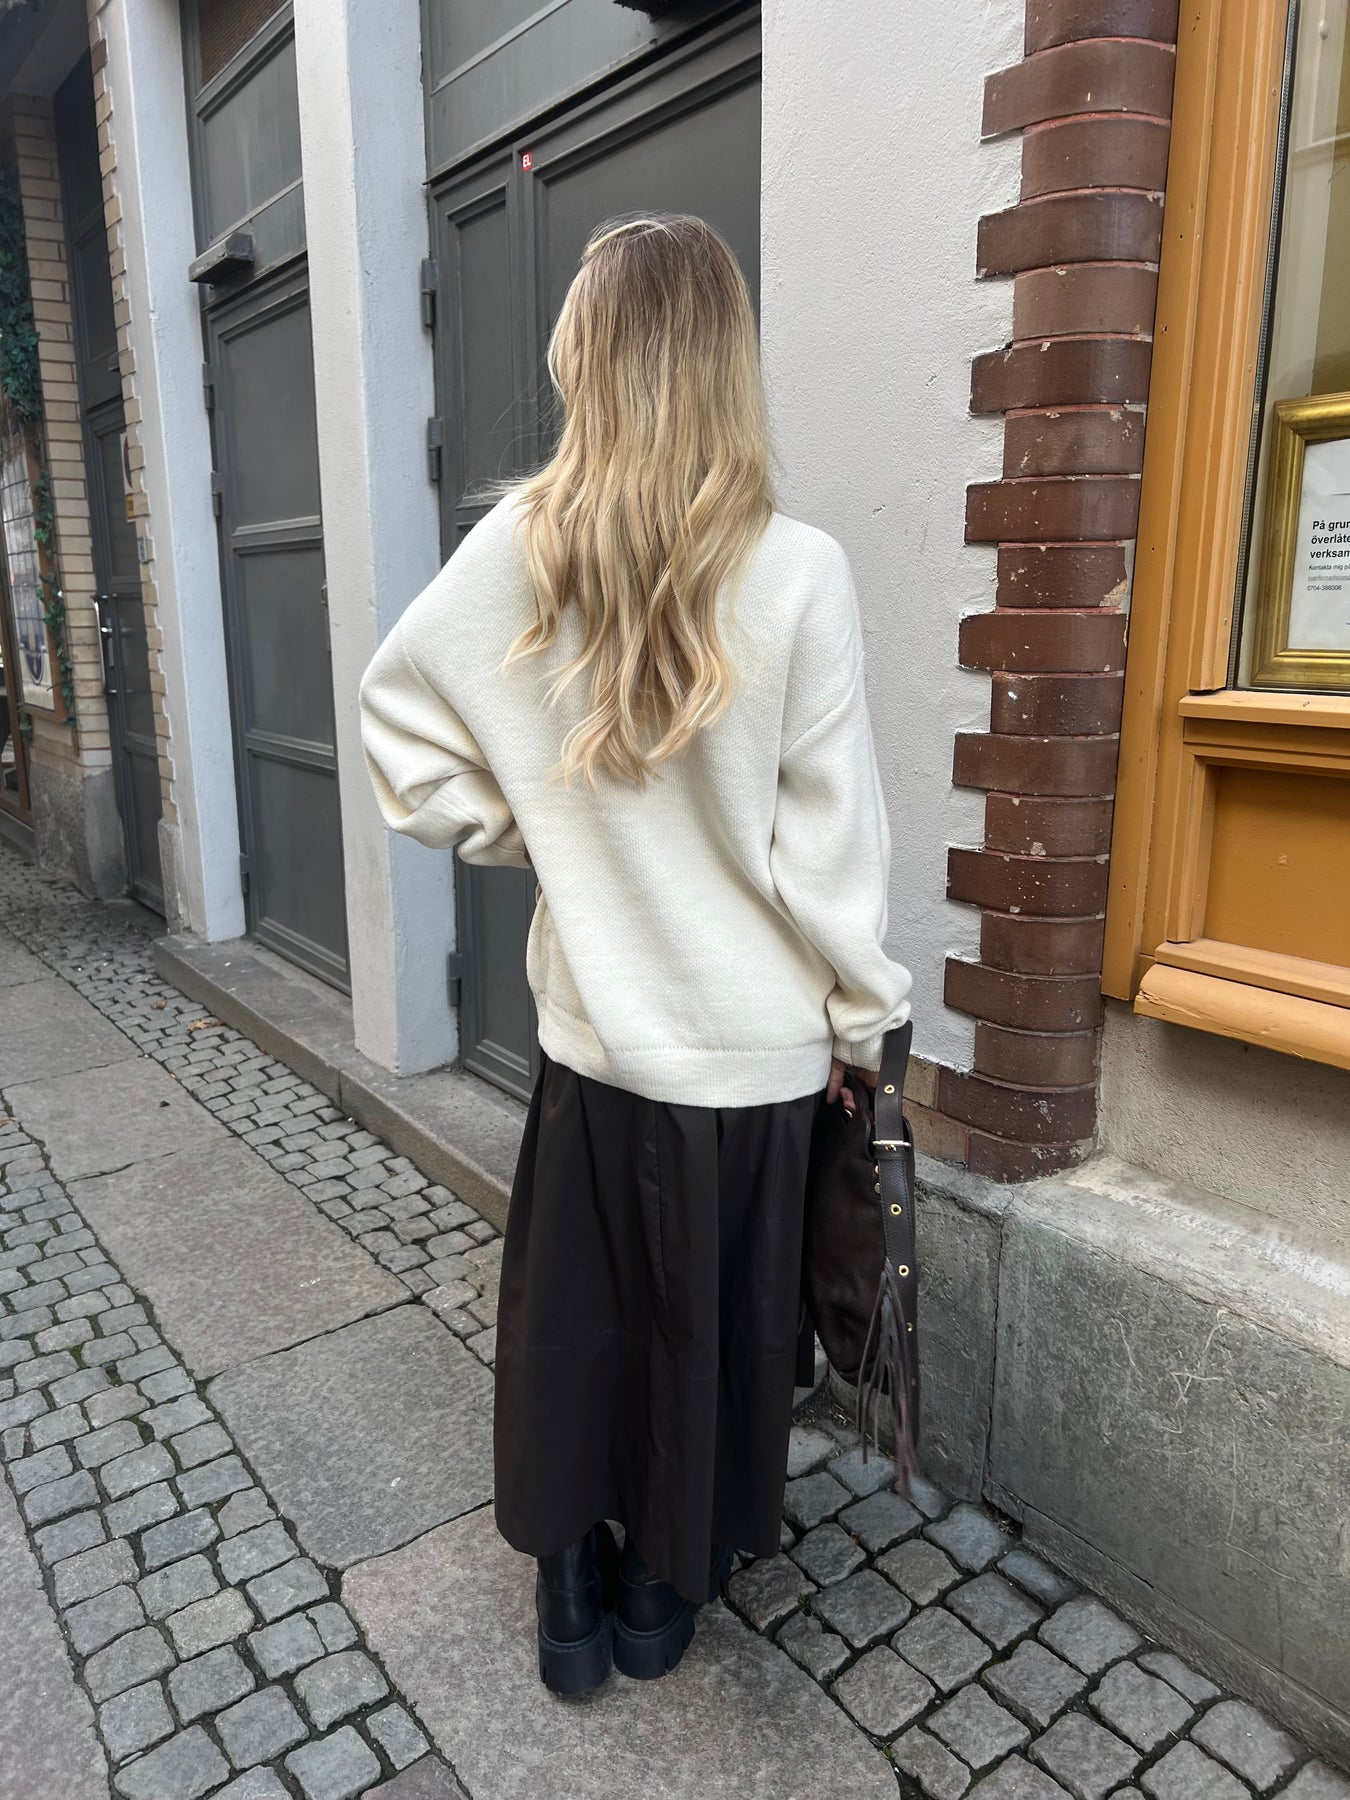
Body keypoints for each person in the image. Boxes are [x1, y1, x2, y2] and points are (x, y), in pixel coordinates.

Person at [358, 214, 910, 1697]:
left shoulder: (518, 553)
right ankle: (662, 1596)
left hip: (598, 1042)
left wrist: (538, 837)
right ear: (728, 359)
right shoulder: (799, 571)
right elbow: (832, 849)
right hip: (756, 1062)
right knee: (711, 1341)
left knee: (578, 1327)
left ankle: (569, 1602)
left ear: (582, 358)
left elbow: (400, 742)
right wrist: (866, 1027)